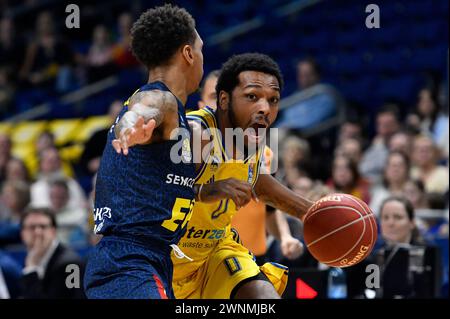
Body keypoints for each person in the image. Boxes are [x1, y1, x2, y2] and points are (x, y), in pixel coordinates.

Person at [170, 53, 314, 299]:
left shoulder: (254, 141)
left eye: (273, 100)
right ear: (223, 100)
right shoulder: (195, 133)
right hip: (163, 255)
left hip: (213, 253)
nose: (264, 109)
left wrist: (311, 212)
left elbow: (260, 183)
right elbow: (157, 190)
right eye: (252, 97)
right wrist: (207, 191)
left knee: (264, 298)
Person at [84, 4, 204, 299]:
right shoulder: (160, 99)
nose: (202, 57)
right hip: (129, 262)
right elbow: (147, 107)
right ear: (188, 54)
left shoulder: (181, 118)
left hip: (147, 261)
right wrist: (133, 123)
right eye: (201, 48)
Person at [19, 207, 85, 299]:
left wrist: (31, 269)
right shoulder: (32, 257)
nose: (38, 232)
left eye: (43, 226)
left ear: (53, 231)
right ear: (22, 234)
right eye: (32, 227)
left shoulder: (71, 264)